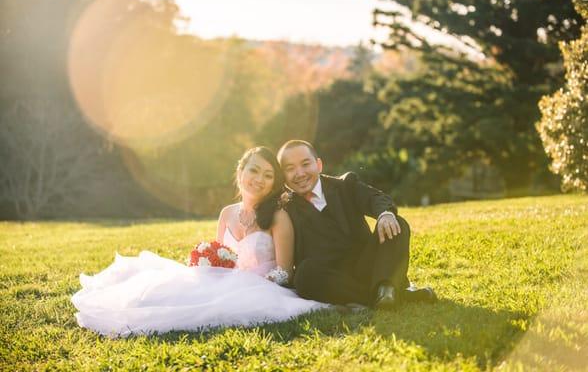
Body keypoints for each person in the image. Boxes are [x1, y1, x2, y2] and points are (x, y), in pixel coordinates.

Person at [71, 147, 327, 337]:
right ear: (241, 171)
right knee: (162, 296)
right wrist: (208, 264)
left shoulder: (278, 216)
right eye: (254, 170)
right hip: (224, 281)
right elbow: (223, 257)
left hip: (262, 287)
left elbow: (284, 271)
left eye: (268, 175)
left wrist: (252, 283)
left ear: (274, 183)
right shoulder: (227, 213)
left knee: (209, 309)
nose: (259, 179)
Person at [277, 140, 436, 309]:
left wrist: (385, 214)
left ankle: (385, 288)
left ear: (319, 165)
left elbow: (375, 198)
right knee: (304, 275)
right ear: (283, 176)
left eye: (305, 164)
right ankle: (389, 294)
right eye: (290, 168)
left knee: (397, 224)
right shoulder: (284, 208)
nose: (299, 173)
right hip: (332, 279)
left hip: (369, 265)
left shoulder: (345, 185)